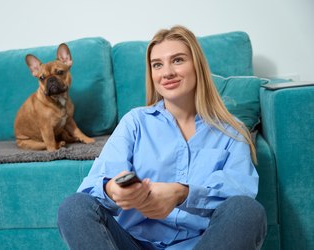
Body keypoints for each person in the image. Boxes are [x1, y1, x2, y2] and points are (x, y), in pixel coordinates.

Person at [57, 25, 267, 250]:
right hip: (132, 243)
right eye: (157, 64)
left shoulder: (231, 132)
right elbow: (93, 185)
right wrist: (112, 190)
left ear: (197, 66)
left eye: (177, 60)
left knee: (247, 210)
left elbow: (240, 190)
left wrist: (182, 193)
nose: (166, 72)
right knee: (74, 207)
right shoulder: (135, 122)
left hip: (201, 245)